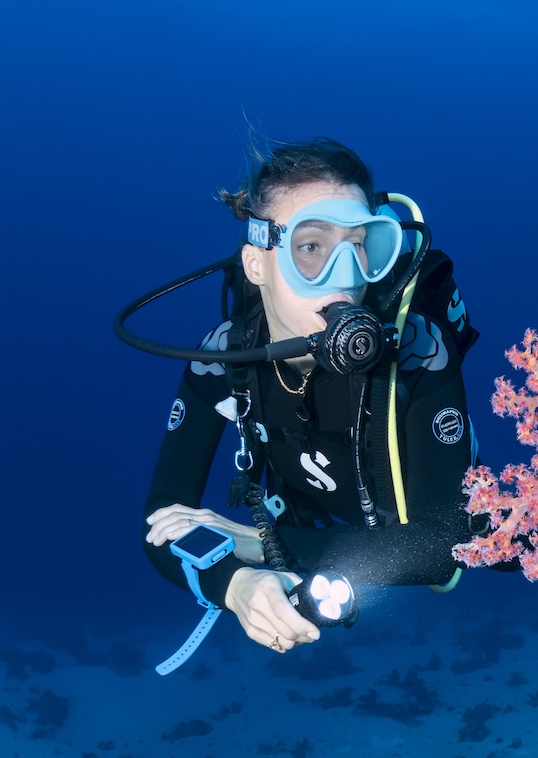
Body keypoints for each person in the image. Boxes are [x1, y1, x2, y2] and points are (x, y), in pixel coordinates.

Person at [141, 138, 481, 655]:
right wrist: (234, 584)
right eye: (311, 248)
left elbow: (441, 549)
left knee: (507, 541)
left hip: (425, 511)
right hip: (310, 512)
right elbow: (165, 515)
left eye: (362, 245)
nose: (345, 279)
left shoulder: (418, 351)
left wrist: (262, 545)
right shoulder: (223, 356)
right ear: (257, 264)